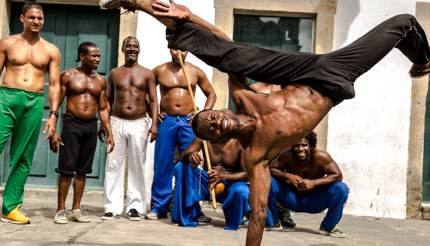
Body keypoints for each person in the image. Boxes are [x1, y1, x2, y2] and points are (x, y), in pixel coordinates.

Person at [100, 1, 430, 245]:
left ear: (224, 111)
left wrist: (193, 18)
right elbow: (257, 215)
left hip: (311, 70)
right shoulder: (256, 153)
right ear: (215, 137)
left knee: (404, 22)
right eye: (210, 129)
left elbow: (227, 47)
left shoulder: (246, 95)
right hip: (338, 80)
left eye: (213, 117)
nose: (216, 123)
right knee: (400, 24)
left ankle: (139, 3)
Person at [0, 1, 60, 224]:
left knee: (23, 156)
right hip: (6, 98)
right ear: (22, 18)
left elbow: (54, 84)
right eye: (32, 17)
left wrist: (53, 115)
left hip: (33, 101)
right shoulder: (7, 43)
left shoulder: (51, 50)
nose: (36, 21)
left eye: (40, 18)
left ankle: (10, 208)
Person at [147, 49, 216, 220]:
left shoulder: (195, 71)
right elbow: (148, 96)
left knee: (191, 163)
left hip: (188, 122)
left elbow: (212, 94)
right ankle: (159, 208)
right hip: (167, 121)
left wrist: (202, 115)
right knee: (162, 164)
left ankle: (193, 208)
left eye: (184, 50)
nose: (180, 53)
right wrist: (154, 115)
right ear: (170, 49)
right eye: (176, 48)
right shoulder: (159, 70)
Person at [50, 42, 114, 224]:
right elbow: (57, 101)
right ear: (82, 56)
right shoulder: (68, 76)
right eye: (93, 56)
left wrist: (109, 131)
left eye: (99, 56)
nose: (97, 59)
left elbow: (102, 109)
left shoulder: (101, 81)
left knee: (82, 171)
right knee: (66, 169)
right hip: (71, 124)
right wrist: (53, 128)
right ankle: (60, 210)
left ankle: (76, 209)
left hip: (90, 126)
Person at [101, 36, 158, 221]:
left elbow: (154, 101)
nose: (132, 49)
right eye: (129, 46)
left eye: (135, 46)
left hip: (139, 122)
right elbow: (108, 101)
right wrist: (105, 124)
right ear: (122, 49)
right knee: (113, 164)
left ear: (139, 50)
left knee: (137, 166)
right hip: (117, 121)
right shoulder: (114, 73)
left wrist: (155, 124)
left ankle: (135, 206)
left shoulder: (148, 74)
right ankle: (112, 207)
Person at [266, 132, 348, 237]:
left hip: (315, 201)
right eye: (297, 145)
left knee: (341, 188)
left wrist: (313, 183)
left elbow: (337, 175)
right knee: (268, 181)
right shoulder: (287, 155)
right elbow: (271, 169)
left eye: (304, 145)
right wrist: (288, 176)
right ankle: (273, 222)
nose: (300, 149)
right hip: (292, 199)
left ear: (311, 146)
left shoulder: (321, 157)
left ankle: (328, 227)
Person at [172, 137, 250, 230]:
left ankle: (233, 219)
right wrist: (189, 156)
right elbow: (182, 157)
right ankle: (187, 216)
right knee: (180, 167)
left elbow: (247, 174)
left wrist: (223, 176)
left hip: (230, 184)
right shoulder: (204, 137)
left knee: (242, 190)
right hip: (207, 182)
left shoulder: (240, 142)